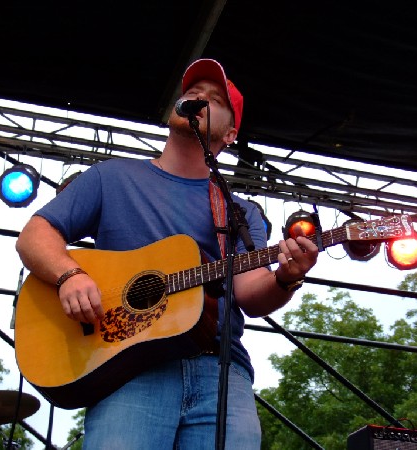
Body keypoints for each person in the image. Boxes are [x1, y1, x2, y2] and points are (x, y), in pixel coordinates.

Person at [16, 58, 319, 449]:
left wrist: (286, 276)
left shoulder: (240, 211)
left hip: (221, 370)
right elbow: (34, 236)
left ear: (230, 133)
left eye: (213, 98)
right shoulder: (113, 177)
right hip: (128, 368)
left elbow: (248, 294)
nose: (198, 96)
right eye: (193, 91)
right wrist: (70, 275)